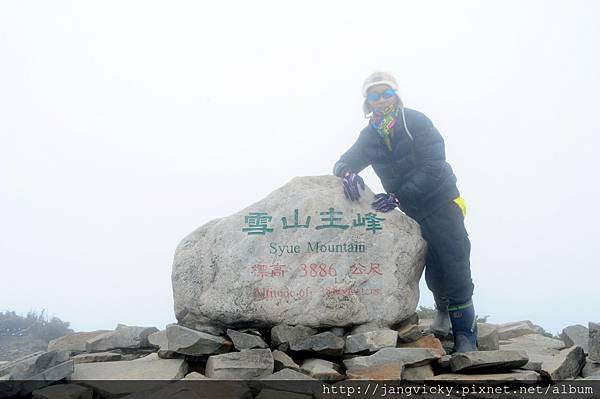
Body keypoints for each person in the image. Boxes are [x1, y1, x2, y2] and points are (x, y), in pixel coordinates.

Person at [332, 71, 478, 353]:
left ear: (396, 95)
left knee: (454, 258)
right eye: (375, 95)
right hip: (410, 210)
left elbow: (435, 165)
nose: (381, 99)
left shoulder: (416, 121)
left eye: (387, 93)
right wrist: (348, 174)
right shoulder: (370, 135)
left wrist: (400, 195)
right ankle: (443, 314)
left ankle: (466, 334)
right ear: (368, 101)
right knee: (432, 264)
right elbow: (344, 161)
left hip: (441, 200)